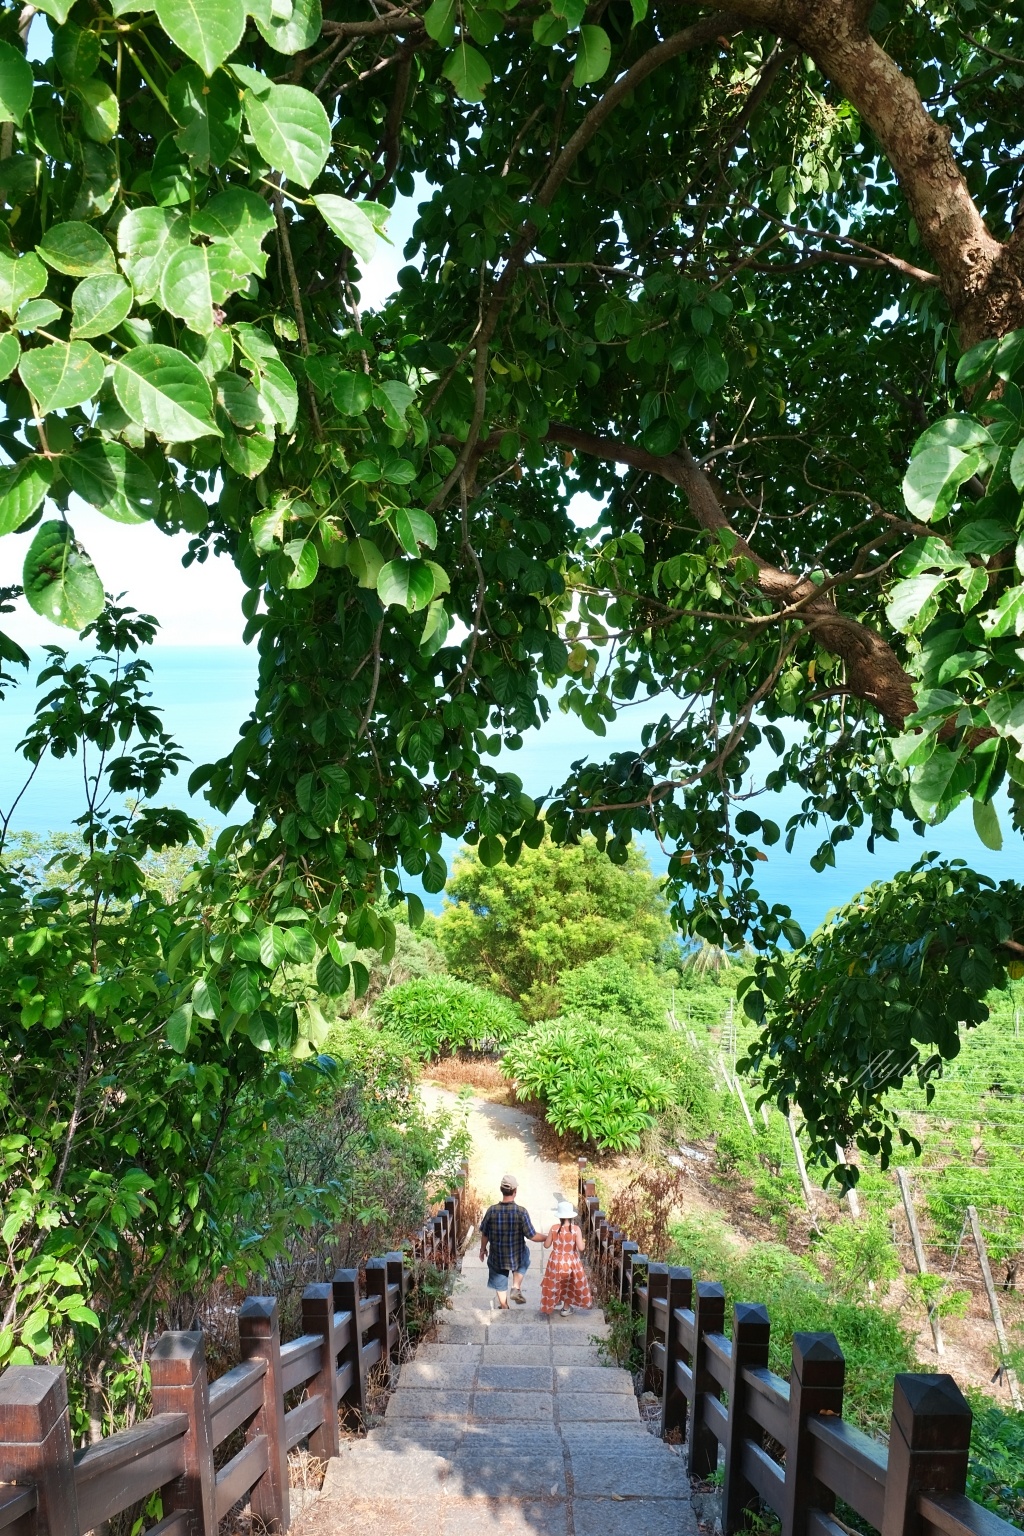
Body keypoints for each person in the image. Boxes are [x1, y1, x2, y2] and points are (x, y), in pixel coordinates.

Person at [478, 1173, 545, 1308]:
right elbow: (532, 1235)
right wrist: (548, 1237)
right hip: (517, 1255)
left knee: (499, 1279)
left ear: (501, 1190)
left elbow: (485, 1233)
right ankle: (515, 1287)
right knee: (524, 1255)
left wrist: (482, 1249)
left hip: (497, 1256)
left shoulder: (491, 1211)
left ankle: (504, 1307)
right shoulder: (521, 1212)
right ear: (515, 1191)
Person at [539, 1200, 593, 1317]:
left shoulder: (554, 1228)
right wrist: (584, 1242)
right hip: (570, 1260)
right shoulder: (576, 1229)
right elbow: (581, 1248)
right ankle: (566, 1308)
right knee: (568, 1283)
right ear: (571, 1216)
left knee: (555, 1281)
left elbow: (546, 1245)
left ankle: (554, 1300)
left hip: (555, 1260)